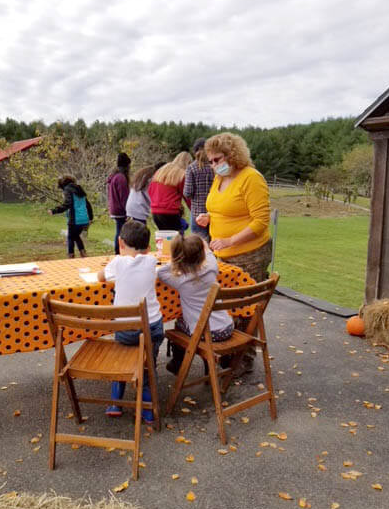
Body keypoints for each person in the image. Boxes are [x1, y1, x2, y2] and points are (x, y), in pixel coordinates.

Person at [196, 132, 271, 373]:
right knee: (228, 305)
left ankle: (244, 359)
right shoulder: (220, 178)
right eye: (210, 161)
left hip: (250, 253)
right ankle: (229, 353)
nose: (213, 165)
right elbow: (222, 207)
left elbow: (260, 222)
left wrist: (230, 240)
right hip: (223, 252)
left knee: (246, 306)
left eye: (217, 159)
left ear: (233, 155)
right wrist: (209, 218)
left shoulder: (252, 179)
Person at [97, 220, 164, 423]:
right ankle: (147, 410)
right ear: (148, 247)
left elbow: (100, 277)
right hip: (153, 329)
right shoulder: (152, 262)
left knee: (121, 356)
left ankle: (116, 402)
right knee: (148, 362)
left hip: (126, 332)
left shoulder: (118, 263)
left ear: (120, 242)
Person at [157, 234, 234, 374]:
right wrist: (203, 246)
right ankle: (223, 359)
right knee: (193, 321)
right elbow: (209, 253)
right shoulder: (212, 268)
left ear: (177, 258)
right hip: (227, 327)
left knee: (180, 322)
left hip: (207, 334)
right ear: (202, 255)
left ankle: (178, 363)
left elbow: (160, 272)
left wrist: (175, 260)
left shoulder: (179, 280)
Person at [48, 175, 93, 258]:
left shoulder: (67, 190)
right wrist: (90, 218)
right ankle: (83, 253)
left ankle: (71, 256)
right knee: (75, 236)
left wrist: (54, 211)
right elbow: (88, 205)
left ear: (62, 184)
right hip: (84, 219)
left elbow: (67, 204)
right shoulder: (79, 189)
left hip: (75, 219)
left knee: (70, 237)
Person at [148, 152, 192, 231]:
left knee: (164, 239)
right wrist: (194, 210)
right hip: (170, 212)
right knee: (175, 240)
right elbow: (187, 195)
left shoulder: (162, 170)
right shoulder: (181, 174)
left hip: (155, 211)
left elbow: (150, 189)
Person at [183, 137, 214, 239]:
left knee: (199, 244)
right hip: (214, 212)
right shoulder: (214, 167)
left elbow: (187, 192)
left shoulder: (191, 168)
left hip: (197, 212)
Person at [107, 152, 131, 254]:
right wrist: (128, 211)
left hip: (114, 208)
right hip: (120, 209)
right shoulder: (121, 178)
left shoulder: (114, 176)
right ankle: (119, 251)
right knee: (121, 232)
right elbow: (124, 197)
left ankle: (119, 251)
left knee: (119, 231)